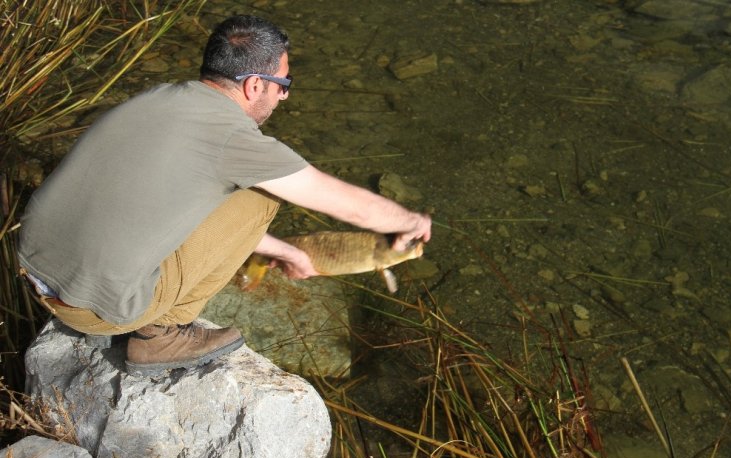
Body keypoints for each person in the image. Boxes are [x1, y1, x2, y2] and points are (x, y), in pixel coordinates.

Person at [17, 14, 431, 375]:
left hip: (33, 269)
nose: (285, 94)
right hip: (89, 309)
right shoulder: (234, 139)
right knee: (260, 198)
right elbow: (346, 204)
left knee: (215, 192)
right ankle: (161, 335)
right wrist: (411, 221)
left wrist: (285, 252)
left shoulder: (158, 96)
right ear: (255, 85)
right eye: (284, 83)